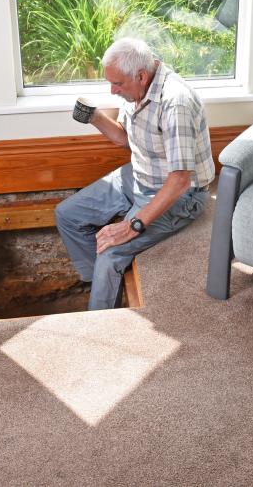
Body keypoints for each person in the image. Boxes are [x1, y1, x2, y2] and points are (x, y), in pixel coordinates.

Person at [55, 38, 215, 310]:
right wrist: (93, 116)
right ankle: (98, 284)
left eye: (117, 83)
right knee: (67, 214)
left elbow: (180, 180)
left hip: (180, 194)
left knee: (110, 254)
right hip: (139, 174)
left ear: (140, 76)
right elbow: (123, 138)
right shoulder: (137, 89)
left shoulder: (175, 103)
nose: (112, 90)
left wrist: (132, 226)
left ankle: (100, 322)